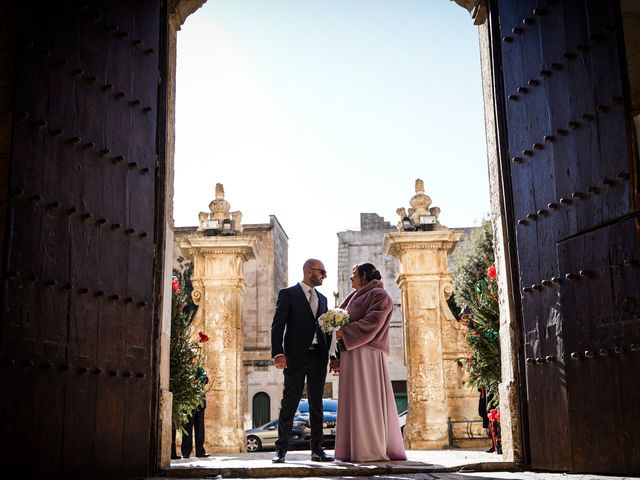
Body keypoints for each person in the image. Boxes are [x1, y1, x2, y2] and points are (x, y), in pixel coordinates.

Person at [334, 263, 406, 463]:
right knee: (353, 399)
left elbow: (373, 322)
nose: (350, 278)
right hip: (351, 353)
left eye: (353, 274)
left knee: (368, 399)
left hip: (369, 354)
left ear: (363, 276)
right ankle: (351, 449)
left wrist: (344, 332)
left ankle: (371, 448)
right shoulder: (353, 296)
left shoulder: (379, 295)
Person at [270, 258, 334, 463]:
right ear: (309, 271)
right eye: (321, 272)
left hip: (318, 356)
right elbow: (277, 326)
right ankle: (281, 450)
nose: (324, 276)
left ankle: (318, 450)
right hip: (295, 357)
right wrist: (278, 353)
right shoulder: (288, 294)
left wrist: (333, 356)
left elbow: (327, 330)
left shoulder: (323, 299)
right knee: (289, 403)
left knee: (317, 405)